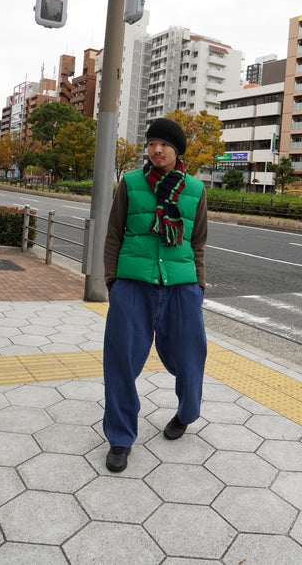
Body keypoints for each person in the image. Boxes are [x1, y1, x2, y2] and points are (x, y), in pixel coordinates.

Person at [103, 117, 208, 472]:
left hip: (181, 287)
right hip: (132, 285)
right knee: (120, 362)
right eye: (151, 144)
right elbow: (114, 233)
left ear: (176, 150)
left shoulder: (195, 189)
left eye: (164, 144)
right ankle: (120, 438)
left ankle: (186, 414)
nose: (157, 150)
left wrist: (199, 285)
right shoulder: (131, 183)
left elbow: (199, 242)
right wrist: (113, 282)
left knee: (190, 357)